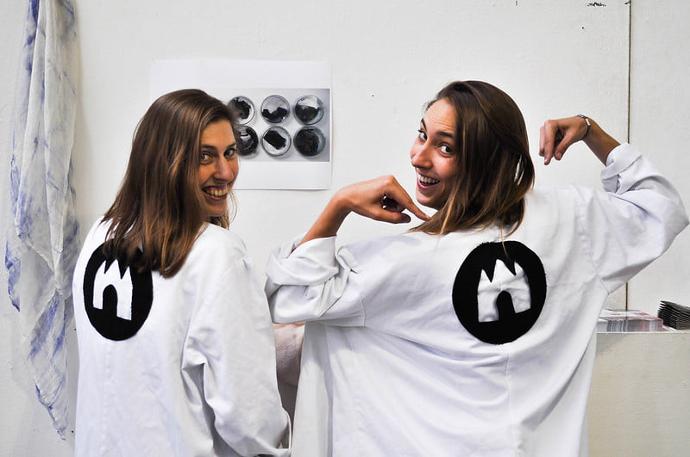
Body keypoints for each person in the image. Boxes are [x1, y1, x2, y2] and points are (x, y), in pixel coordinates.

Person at [264, 80, 688, 456]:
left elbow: (291, 296)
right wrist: (591, 131)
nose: (419, 157)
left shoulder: (409, 260)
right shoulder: (572, 221)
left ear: (485, 161)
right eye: (422, 135)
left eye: (445, 148)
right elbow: (662, 208)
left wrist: (339, 205)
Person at [71, 89, 290, 456]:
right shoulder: (216, 253)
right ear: (165, 161)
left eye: (230, 152)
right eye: (205, 156)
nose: (226, 172)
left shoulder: (102, 234)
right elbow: (250, 421)